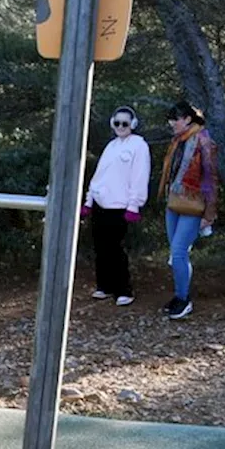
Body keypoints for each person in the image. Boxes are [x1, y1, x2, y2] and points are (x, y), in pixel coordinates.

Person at [81, 106, 151, 306]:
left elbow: (139, 177)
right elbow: (99, 176)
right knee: (101, 247)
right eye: (117, 123)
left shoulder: (139, 146)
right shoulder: (111, 146)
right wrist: (89, 200)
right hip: (101, 204)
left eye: (125, 123)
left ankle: (124, 289)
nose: (121, 127)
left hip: (120, 206)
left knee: (115, 249)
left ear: (133, 125)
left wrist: (134, 205)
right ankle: (104, 286)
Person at [157, 101, 218, 320]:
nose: (172, 123)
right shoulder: (178, 141)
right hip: (174, 201)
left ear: (189, 119)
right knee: (176, 253)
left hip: (193, 204)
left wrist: (209, 214)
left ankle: (184, 300)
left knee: (180, 250)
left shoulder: (204, 141)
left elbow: (211, 179)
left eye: (176, 118)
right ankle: (179, 295)